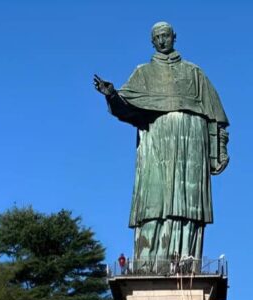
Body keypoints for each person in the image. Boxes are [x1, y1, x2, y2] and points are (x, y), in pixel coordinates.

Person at [93, 22, 230, 266]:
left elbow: (216, 117)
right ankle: (149, 260)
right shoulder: (143, 73)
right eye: (157, 37)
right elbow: (126, 109)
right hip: (156, 142)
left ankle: (186, 259)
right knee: (153, 200)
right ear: (152, 42)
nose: (162, 40)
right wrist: (112, 95)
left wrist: (218, 150)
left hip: (192, 143)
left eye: (166, 35)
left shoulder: (194, 73)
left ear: (174, 37)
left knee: (188, 203)